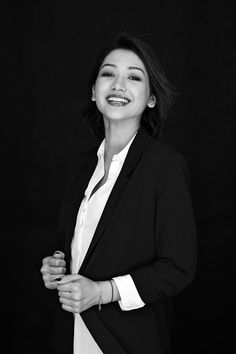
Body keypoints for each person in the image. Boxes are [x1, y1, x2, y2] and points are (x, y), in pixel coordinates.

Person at [40, 34, 197, 354]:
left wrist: (102, 292)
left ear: (151, 98)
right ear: (94, 91)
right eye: (108, 73)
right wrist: (57, 266)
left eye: (134, 77)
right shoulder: (81, 167)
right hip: (70, 334)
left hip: (127, 342)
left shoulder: (164, 166)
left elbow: (178, 267)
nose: (118, 84)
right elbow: (84, 248)